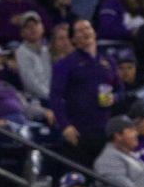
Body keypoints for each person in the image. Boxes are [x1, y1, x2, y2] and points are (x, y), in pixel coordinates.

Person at [50, 19, 121, 165]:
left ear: (94, 32)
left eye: (88, 28)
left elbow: (121, 90)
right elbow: (55, 96)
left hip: (105, 129)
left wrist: (115, 97)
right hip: (79, 130)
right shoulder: (65, 64)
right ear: (73, 39)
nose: (85, 32)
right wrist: (65, 125)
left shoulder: (109, 61)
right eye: (80, 30)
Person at [14, 11, 51, 103]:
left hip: (53, 94)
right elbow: (30, 84)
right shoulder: (21, 52)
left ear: (42, 28)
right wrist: (52, 96)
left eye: (35, 24)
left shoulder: (47, 49)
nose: (32, 28)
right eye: (27, 26)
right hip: (36, 100)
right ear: (22, 33)